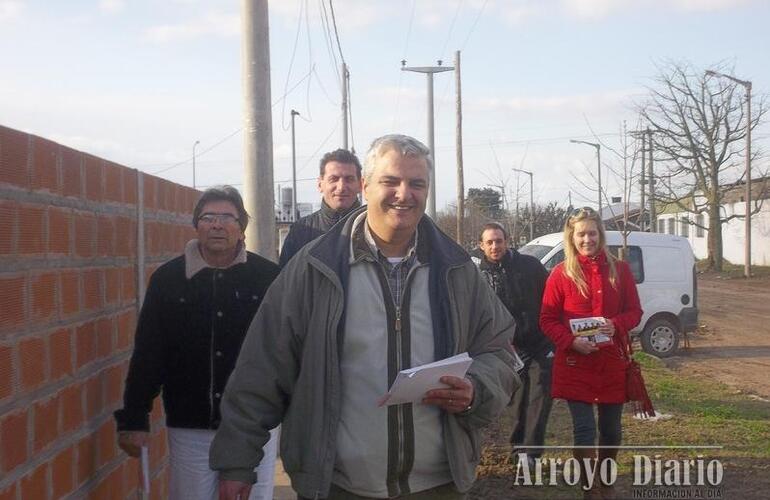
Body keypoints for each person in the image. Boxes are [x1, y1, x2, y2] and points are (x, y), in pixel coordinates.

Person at [210, 134, 520, 500]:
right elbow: (262, 368)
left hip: (440, 485)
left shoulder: (456, 271)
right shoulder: (314, 268)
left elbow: (500, 351)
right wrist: (237, 463)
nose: (404, 194)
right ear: (366, 186)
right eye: (391, 181)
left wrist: (476, 390)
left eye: (416, 183)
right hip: (339, 485)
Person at [114, 186, 281, 500]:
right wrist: (134, 416)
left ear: (242, 228)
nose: (217, 225)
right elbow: (150, 352)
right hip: (191, 425)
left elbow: (284, 350)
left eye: (227, 217)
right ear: (196, 224)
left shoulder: (269, 278)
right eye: (208, 217)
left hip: (254, 425)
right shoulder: (168, 280)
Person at [539, 207, 642, 499]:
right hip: (575, 364)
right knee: (584, 431)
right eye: (581, 234)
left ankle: (605, 483)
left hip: (611, 364)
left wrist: (616, 324)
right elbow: (547, 319)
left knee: (611, 430)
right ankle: (589, 489)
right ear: (572, 237)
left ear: (600, 234)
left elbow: (635, 311)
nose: (587, 239)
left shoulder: (619, 270)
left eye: (592, 233)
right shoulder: (560, 274)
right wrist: (571, 342)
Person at [471, 222, 552, 470]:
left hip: (539, 343)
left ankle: (532, 453)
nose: (496, 246)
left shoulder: (529, 266)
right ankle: (518, 448)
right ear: (481, 246)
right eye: (490, 242)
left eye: (499, 241)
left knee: (539, 397)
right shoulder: (477, 276)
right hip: (507, 349)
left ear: (507, 241)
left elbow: (550, 297)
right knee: (516, 401)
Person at [278, 148, 362, 267]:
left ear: (360, 185)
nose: (341, 187)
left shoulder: (374, 229)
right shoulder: (300, 233)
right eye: (334, 179)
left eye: (349, 179)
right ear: (320, 184)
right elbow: (285, 282)